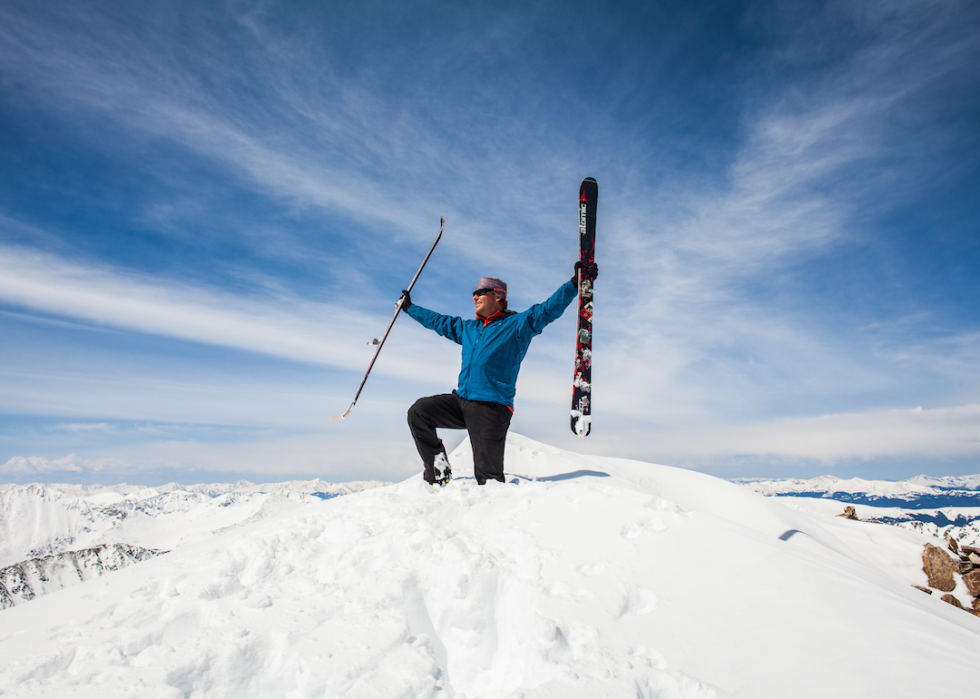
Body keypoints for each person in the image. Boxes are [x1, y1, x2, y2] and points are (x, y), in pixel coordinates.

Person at [400, 261, 598, 486]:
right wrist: (409, 308)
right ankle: (438, 471)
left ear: (498, 296)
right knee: (419, 412)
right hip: (461, 401)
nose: (474, 297)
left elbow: (547, 309)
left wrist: (574, 284)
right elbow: (438, 322)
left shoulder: (517, 326)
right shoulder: (468, 329)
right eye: (474, 293)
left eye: (480, 292)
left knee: (489, 481)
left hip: (491, 408)